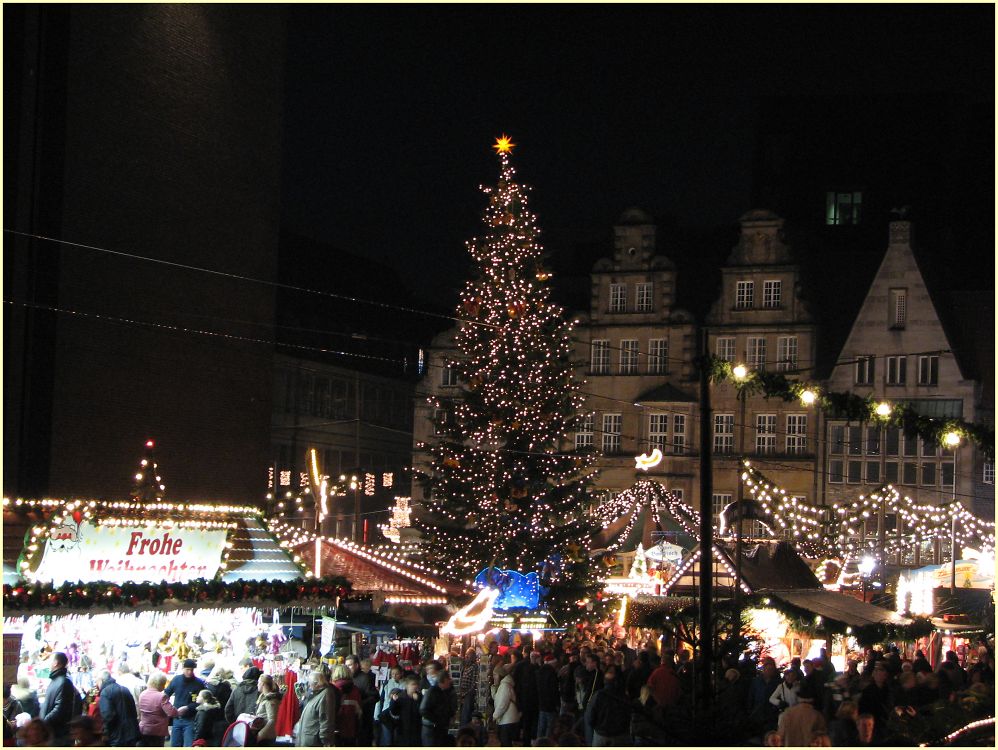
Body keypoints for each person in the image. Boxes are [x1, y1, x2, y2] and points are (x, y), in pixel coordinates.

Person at [42, 651, 82, 746]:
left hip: (58, 736)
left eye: (50, 660)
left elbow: (59, 709)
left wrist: (43, 723)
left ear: (55, 663)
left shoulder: (64, 682)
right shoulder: (57, 681)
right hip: (54, 734)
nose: (48, 663)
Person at [164, 658, 207, 747]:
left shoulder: (199, 683)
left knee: (189, 745)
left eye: (191, 670)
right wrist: (168, 708)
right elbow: (166, 694)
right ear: (183, 669)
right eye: (187, 669)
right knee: (175, 745)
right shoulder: (176, 680)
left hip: (190, 720)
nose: (190, 672)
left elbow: (203, 702)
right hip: (177, 719)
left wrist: (188, 707)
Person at [586, 665, 632, 747]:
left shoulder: (598, 695)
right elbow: (629, 715)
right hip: (620, 735)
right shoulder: (625, 696)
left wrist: (597, 727)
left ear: (605, 681)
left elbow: (590, 716)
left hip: (601, 735)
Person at [96, 669, 141, 747]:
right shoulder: (125, 689)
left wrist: (106, 733)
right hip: (132, 733)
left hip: (117, 737)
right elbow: (134, 711)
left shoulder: (105, 692)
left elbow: (108, 716)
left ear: (100, 680)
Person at [296, 670, 336, 748]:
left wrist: (325, 740)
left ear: (317, 683)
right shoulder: (317, 695)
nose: (309, 687)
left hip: (314, 742)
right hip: (309, 739)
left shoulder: (325, 695)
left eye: (310, 684)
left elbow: (325, 719)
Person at [137, 672, 180, 747]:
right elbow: (172, 713)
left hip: (143, 729)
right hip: (157, 731)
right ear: (160, 684)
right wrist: (178, 711)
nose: (164, 687)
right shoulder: (162, 696)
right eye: (163, 684)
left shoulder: (142, 694)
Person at [420, 671, 455, 746]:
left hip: (438, 729)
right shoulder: (432, 692)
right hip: (431, 729)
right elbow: (423, 709)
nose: (450, 681)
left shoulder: (445, 691)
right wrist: (437, 721)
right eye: (448, 679)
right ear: (444, 680)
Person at [512, 651, 539, 745]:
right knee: (530, 722)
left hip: (525, 698)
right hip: (532, 699)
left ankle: (525, 741)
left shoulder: (521, 666)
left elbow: (516, 680)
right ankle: (529, 741)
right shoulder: (536, 669)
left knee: (526, 721)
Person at [332, 664, 362, 745]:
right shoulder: (355, 690)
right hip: (351, 728)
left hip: (335, 727)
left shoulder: (332, 689)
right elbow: (358, 711)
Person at [491, 664, 520, 747]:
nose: (493, 677)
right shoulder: (502, 685)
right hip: (506, 719)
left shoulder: (505, 686)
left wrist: (495, 716)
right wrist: (494, 686)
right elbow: (496, 698)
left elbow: (502, 704)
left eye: (494, 675)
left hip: (508, 720)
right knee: (505, 743)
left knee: (506, 743)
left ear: (500, 675)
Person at [535, 653, 560, 741]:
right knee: (549, 727)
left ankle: (539, 743)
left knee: (541, 726)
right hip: (550, 705)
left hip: (542, 704)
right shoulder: (552, 673)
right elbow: (554, 691)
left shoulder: (540, 671)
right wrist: (557, 704)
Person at [253, 674, 281, 745]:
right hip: (263, 733)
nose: (257, 685)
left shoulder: (270, 699)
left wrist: (261, 734)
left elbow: (272, 720)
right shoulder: (263, 698)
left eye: (258, 683)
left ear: (262, 684)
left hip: (266, 737)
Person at [457, 649, 479, 729]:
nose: (466, 657)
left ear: (473, 656)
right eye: (466, 655)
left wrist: (466, 693)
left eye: (468, 655)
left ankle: (464, 729)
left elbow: (474, 683)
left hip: (469, 694)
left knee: (466, 714)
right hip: (463, 693)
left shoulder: (474, 667)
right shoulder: (466, 666)